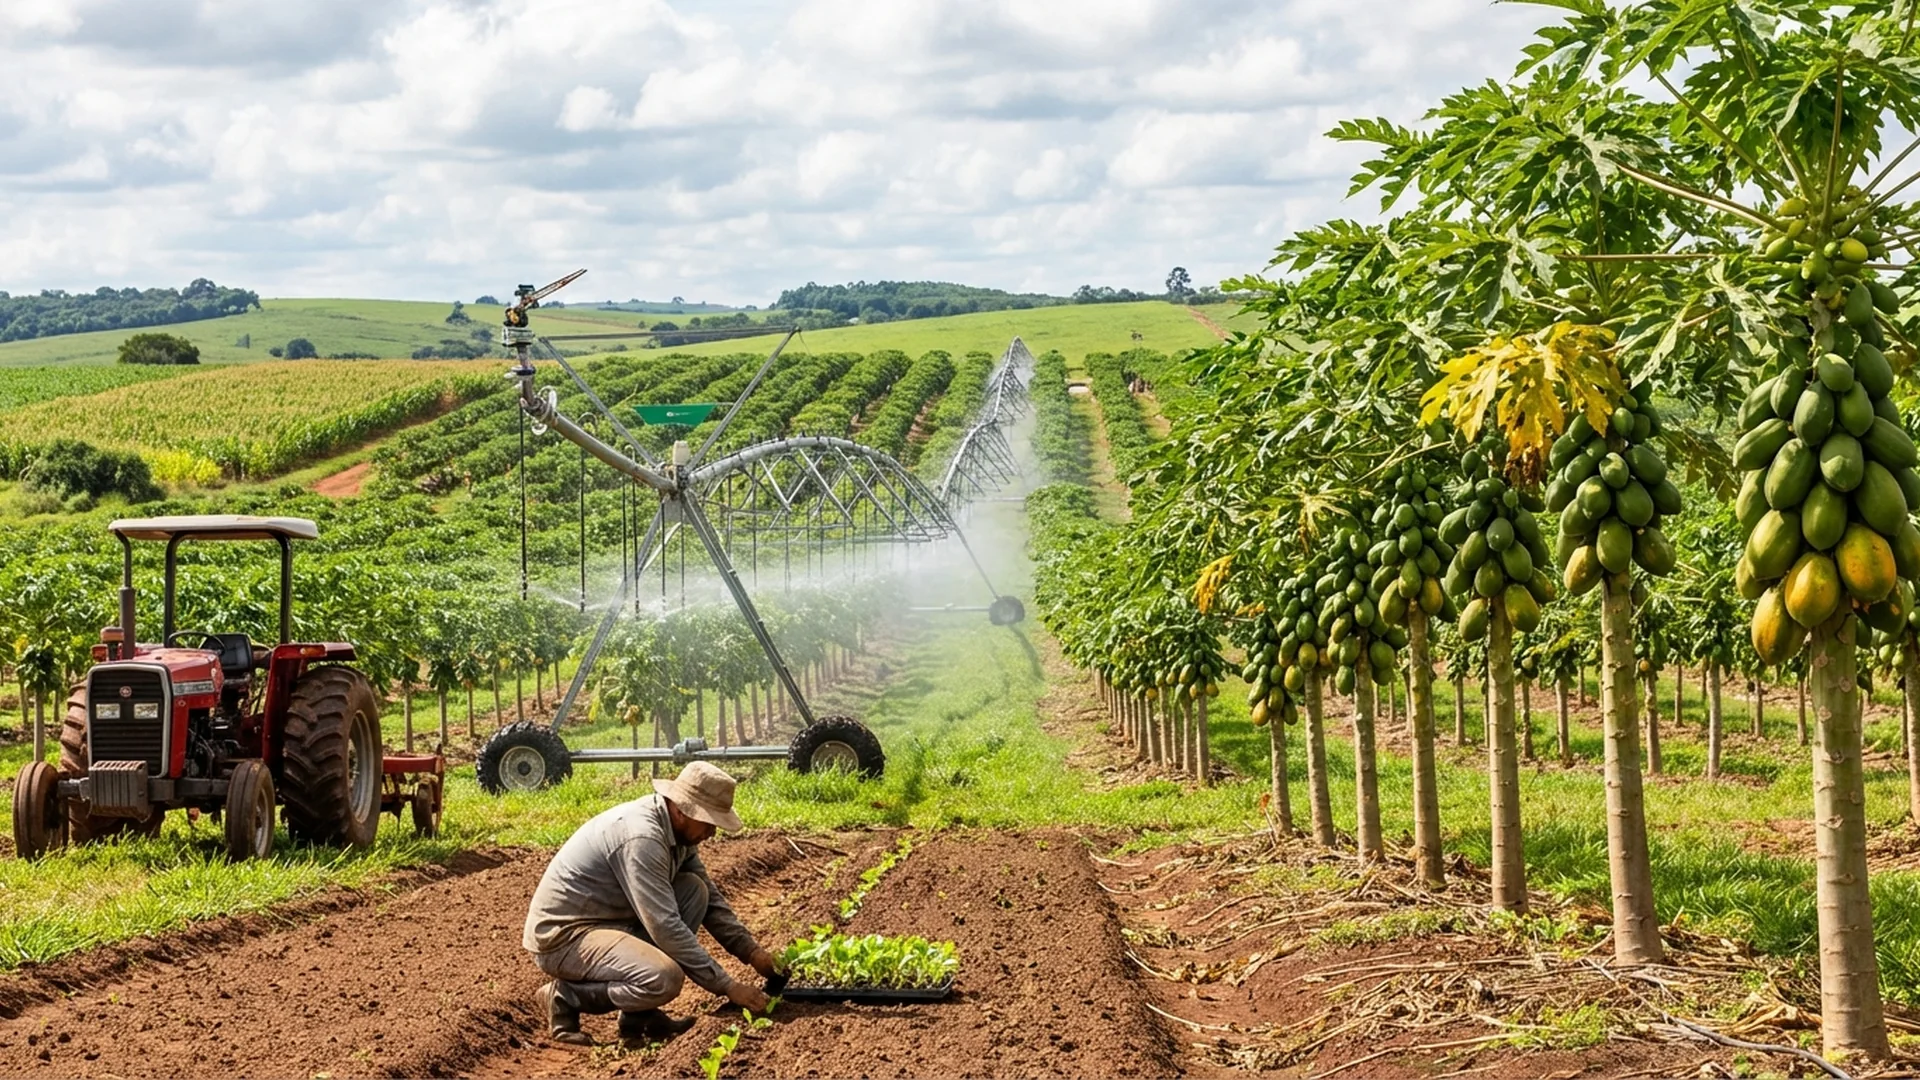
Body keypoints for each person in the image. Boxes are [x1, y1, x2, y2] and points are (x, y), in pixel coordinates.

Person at [521, 761, 780, 1048]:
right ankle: (564, 997)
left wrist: (752, 953)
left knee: (695, 891)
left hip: (610, 923)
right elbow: (664, 925)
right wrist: (727, 986)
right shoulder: (643, 838)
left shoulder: (678, 835)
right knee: (663, 977)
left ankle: (638, 1017)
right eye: (709, 822)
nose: (712, 833)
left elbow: (711, 900)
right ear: (682, 810)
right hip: (564, 936)